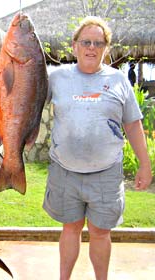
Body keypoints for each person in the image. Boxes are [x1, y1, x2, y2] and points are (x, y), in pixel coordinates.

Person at [43, 16, 152, 280]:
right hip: (64, 170)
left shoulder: (118, 80)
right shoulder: (56, 77)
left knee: (101, 232)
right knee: (70, 228)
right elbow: (24, 98)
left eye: (98, 43)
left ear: (106, 47)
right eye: (86, 42)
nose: (92, 47)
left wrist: (145, 164)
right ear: (74, 45)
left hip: (106, 174)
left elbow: (133, 125)